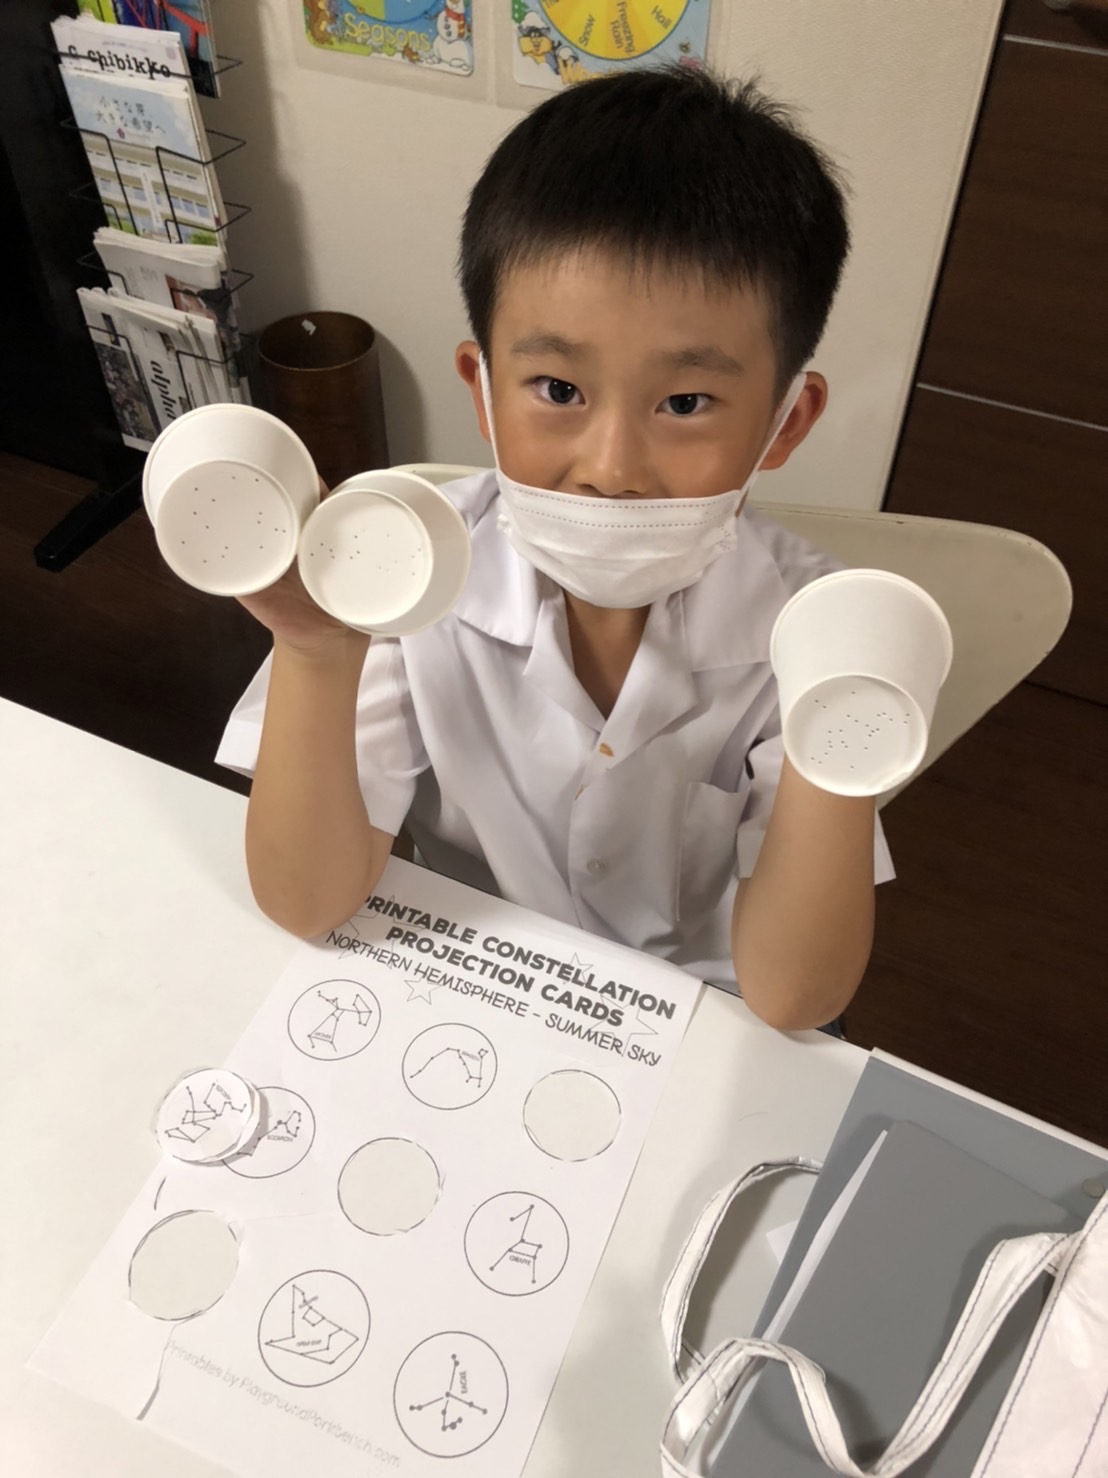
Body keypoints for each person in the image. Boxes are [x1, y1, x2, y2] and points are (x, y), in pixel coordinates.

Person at [218, 66, 894, 1032]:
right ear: (484, 390)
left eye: (686, 402)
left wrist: (848, 719)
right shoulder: (407, 573)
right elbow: (305, 900)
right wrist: (316, 649)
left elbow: (795, 998)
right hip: (469, 989)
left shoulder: (818, 631)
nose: (611, 469)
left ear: (785, 422)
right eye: (559, 391)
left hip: (700, 1017)